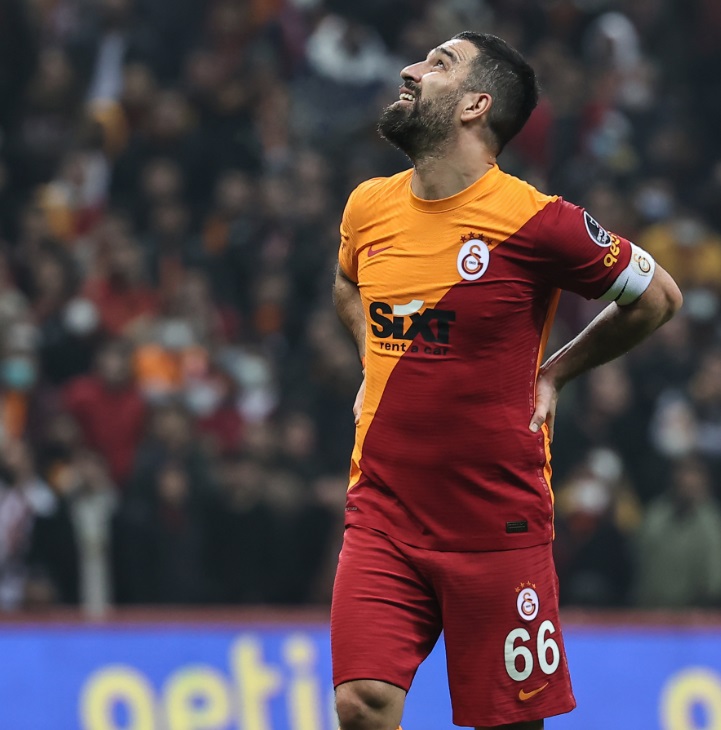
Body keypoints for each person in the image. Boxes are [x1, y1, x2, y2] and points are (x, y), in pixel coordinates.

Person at [331, 31, 682, 730]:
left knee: (510, 723)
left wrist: (556, 372)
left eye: (438, 64)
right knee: (361, 703)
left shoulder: (537, 221)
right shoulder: (368, 206)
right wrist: (375, 362)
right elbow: (347, 284)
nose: (410, 69)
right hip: (383, 513)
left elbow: (658, 297)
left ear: (475, 105)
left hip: (496, 522)